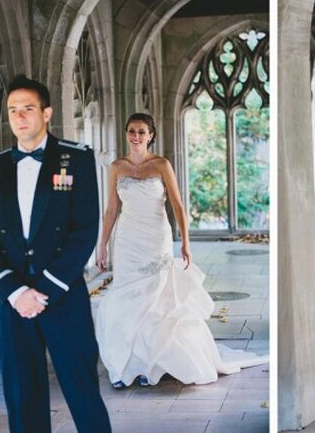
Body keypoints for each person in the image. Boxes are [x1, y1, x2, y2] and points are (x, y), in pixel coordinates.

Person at [0, 74, 111, 433]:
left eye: (28, 109)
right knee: (22, 396)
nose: (19, 117)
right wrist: (16, 292)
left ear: (46, 113)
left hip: (62, 296)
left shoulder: (76, 159)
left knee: (82, 391)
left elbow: (85, 230)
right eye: (13, 110)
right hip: (13, 302)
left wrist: (45, 288)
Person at [94, 113, 267, 388]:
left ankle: (151, 365)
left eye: (141, 132)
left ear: (150, 135)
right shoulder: (117, 167)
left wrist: (185, 242)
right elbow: (112, 208)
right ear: (126, 134)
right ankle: (127, 366)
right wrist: (102, 244)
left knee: (155, 300)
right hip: (127, 239)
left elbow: (177, 205)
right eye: (131, 132)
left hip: (155, 236)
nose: (136, 137)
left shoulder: (161, 164)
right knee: (127, 300)